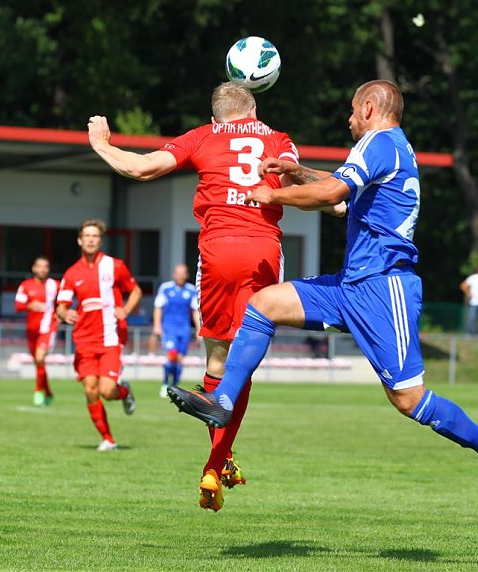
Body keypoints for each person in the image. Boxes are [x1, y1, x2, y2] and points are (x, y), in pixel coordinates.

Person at [168, 80, 478, 512]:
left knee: (409, 399)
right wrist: (294, 171)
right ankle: (222, 400)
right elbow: (337, 191)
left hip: (383, 286)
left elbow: (333, 194)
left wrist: (272, 194)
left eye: (353, 111)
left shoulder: (381, 143)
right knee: (263, 304)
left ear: (371, 108)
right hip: (351, 283)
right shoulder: (386, 149)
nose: (349, 119)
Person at [88, 82, 342, 510]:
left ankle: (220, 463)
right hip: (263, 248)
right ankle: (215, 463)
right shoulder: (278, 139)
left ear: (215, 117)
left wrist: (102, 144)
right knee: (244, 361)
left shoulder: (202, 137)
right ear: (255, 109)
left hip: (218, 251)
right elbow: (301, 184)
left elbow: (142, 168)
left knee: (217, 360)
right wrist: (338, 201)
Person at [55, 219, 142, 452]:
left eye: (95, 236)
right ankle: (108, 439)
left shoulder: (115, 266)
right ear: (80, 240)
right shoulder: (72, 273)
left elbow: (135, 290)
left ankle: (123, 392)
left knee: (107, 390)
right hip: (83, 340)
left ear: (100, 240)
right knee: (90, 389)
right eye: (87, 236)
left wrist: (125, 309)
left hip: (111, 337)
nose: (91, 239)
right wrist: (65, 313)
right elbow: (60, 307)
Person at [15, 255, 59, 407]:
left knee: (40, 359)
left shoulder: (55, 285)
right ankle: (48, 392)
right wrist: (30, 306)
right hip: (32, 330)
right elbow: (18, 305)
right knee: (39, 363)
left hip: (48, 328)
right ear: (34, 268)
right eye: (39, 266)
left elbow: (66, 300)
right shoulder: (26, 285)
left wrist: (61, 314)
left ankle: (38, 390)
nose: (42, 269)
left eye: (45, 266)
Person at [152, 264, 201, 399]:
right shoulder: (165, 288)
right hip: (169, 328)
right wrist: (157, 325)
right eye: (178, 273)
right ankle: (165, 383)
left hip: (184, 329)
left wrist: (198, 328)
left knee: (179, 359)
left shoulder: (191, 290)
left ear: (186, 275)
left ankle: (175, 385)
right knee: (172, 355)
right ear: (174, 274)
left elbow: (195, 311)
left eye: (183, 273)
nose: (180, 275)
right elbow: (158, 307)